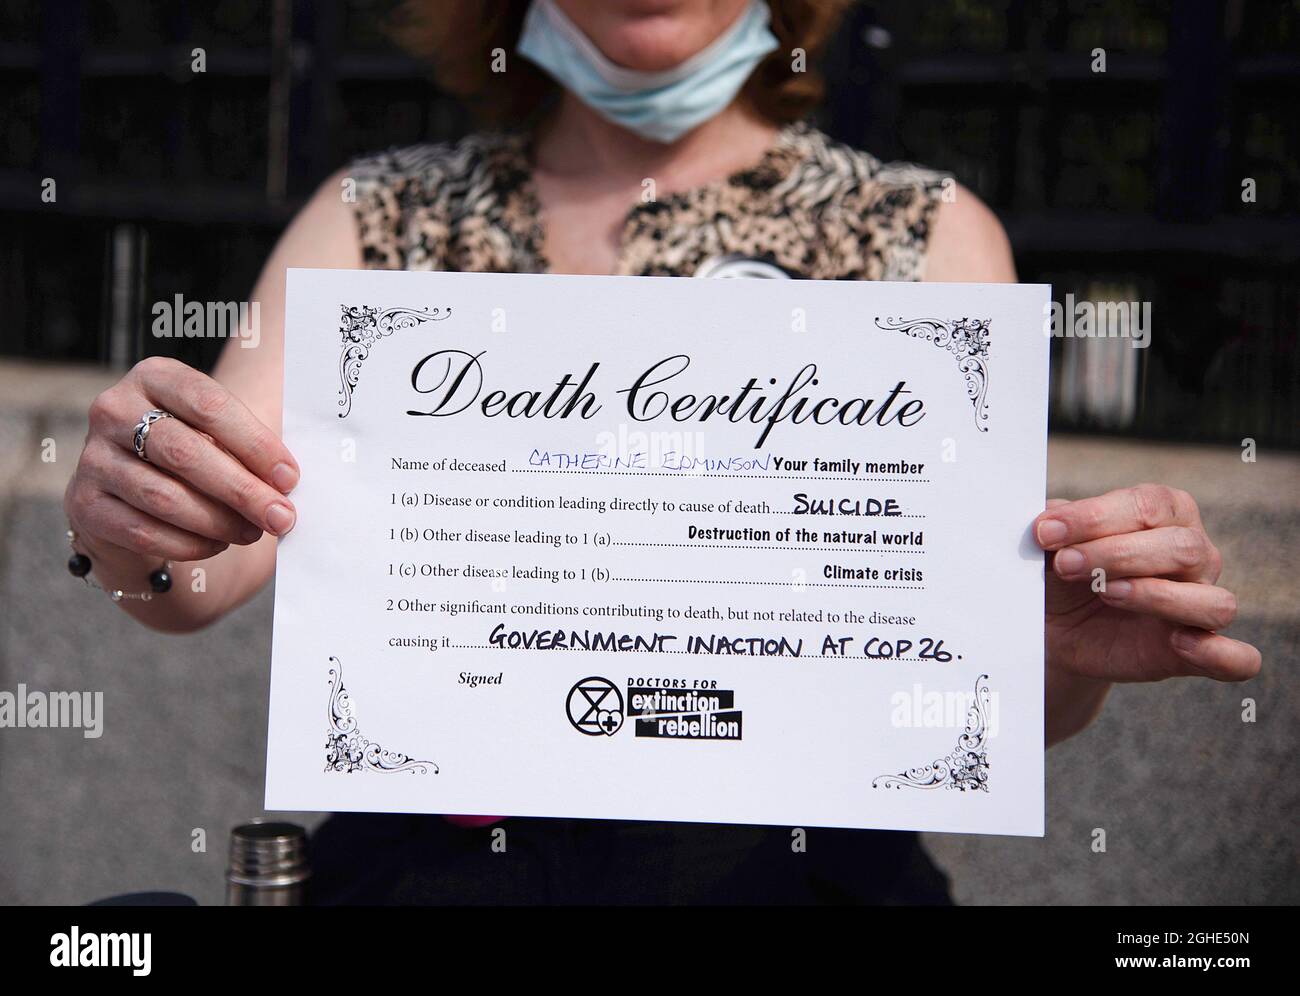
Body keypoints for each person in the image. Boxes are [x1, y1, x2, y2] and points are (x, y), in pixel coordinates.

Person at [62, 0, 1261, 904]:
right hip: (435, 873)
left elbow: (982, 700)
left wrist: (1061, 651)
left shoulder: (926, 235)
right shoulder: (376, 217)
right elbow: (199, 574)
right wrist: (132, 526)